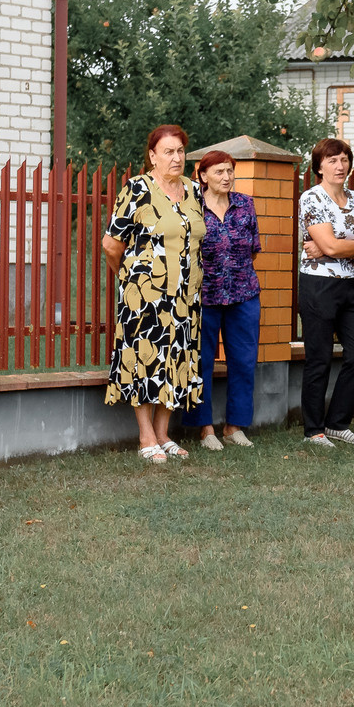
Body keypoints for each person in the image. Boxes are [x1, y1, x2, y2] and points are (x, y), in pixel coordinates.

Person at [86, 123, 202, 465]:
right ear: (152, 156)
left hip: (186, 296)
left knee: (176, 359)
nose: (176, 157)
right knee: (145, 360)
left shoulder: (194, 190)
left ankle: (164, 434)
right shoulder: (137, 189)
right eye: (168, 152)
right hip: (145, 296)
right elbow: (111, 245)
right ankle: (146, 436)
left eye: (180, 151)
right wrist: (129, 279)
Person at [296, 138, 354, 448]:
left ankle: (337, 423)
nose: (340, 166)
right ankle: (314, 430)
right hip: (318, 285)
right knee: (319, 357)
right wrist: (349, 245)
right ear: (319, 167)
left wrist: (334, 247)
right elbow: (344, 244)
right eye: (332, 160)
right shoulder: (311, 198)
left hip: (350, 285)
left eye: (344, 159)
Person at [188, 149, 264, 452]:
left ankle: (235, 426)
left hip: (244, 294)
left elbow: (253, 249)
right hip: (204, 296)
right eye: (219, 171)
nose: (226, 177)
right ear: (203, 175)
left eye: (230, 170)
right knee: (201, 361)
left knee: (244, 361)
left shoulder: (245, 204)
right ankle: (204, 428)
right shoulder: (191, 205)